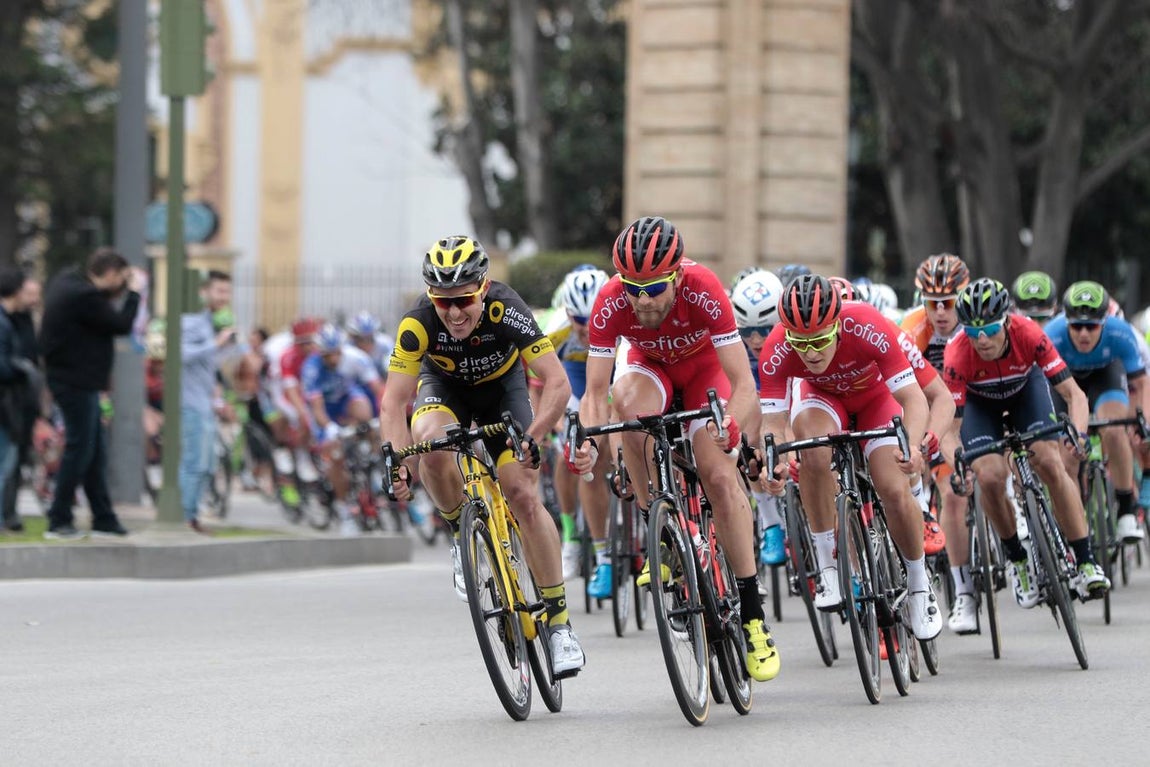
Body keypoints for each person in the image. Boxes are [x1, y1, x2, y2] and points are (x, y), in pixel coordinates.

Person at [571, 216, 781, 682]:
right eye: (633, 288)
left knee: (721, 477)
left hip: (705, 371)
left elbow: (745, 383)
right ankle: (658, 527)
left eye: (655, 288)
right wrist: (589, 444)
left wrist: (730, 426)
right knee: (627, 406)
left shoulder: (704, 288)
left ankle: (751, 616)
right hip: (651, 370)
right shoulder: (611, 302)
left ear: (678, 277)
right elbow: (593, 395)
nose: (642, 300)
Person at [380, 235, 586, 677]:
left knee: (523, 495)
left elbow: (557, 382)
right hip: (445, 389)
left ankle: (560, 625)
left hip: (502, 392)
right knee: (431, 446)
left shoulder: (507, 309)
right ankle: (460, 534)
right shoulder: (417, 324)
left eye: (464, 300)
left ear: (484, 287)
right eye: (443, 302)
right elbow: (394, 403)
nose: (454, 313)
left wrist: (533, 435)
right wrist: (397, 462)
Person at [758, 275, 942, 642]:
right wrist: (771, 463)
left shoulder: (868, 324)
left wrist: (914, 447)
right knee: (810, 449)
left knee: (892, 486)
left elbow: (914, 399)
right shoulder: (777, 347)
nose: (810, 353)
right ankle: (828, 565)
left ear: (838, 325)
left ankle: (920, 584)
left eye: (820, 340)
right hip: (824, 401)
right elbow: (774, 425)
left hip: (875, 400)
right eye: (801, 343)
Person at [941, 278, 1110, 606]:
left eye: (989, 329)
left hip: (1025, 391)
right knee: (989, 476)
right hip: (980, 406)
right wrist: (957, 464)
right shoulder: (957, 354)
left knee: (1050, 461)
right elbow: (951, 429)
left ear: (1005, 320)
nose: (982, 340)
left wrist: (1078, 434)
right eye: (973, 333)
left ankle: (1086, 561)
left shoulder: (1029, 333)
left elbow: (1073, 394)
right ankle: (1017, 558)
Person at [39, 248, 140, 539]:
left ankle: (104, 518)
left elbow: (102, 315)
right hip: (75, 382)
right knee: (80, 450)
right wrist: (134, 294)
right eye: (121, 278)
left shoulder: (70, 284)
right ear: (109, 274)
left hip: (75, 380)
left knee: (95, 452)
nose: (122, 284)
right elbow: (120, 324)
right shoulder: (85, 297)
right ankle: (58, 519)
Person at [900, 253, 977, 632]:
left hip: (974, 404)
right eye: (933, 304)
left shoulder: (976, 325)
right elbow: (903, 394)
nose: (942, 312)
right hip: (934, 408)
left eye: (949, 303)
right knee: (951, 489)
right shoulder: (912, 330)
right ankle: (963, 594)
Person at [1044, 280, 1147, 543]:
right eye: (1077, 326)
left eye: (1091, 326)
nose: (1084, 334)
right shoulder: (1052, 335)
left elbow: (1141, 383)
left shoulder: (1120, 333)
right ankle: (1074, 525)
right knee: (1067, 455)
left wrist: (1142, 421)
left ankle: (1126, 509)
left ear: (1104, 322)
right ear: (1066, 322)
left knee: (1114, 429)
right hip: (1064, 383)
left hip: (1105, 376)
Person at [547, 266, 614, 596]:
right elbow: (539, 383)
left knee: (619, 447)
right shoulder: (556, 331)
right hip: (575, 388)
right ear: (568, 313)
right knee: (573, 458)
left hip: (615, 384)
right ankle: (574, 538)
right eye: (579, 321)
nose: (587, 328)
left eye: (594, 319)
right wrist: (556, 422)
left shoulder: (618, 321)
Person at [729, 269, 787, 566]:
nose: (754, 339)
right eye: (746, 330)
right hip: (756, 391)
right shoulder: (733, 340)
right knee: (747, 448)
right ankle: (771, 523)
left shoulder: (792, 330)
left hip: (788, 391)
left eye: (764, 330)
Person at [180, 270, 236, 534]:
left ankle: (191, 516)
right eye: (220, 291)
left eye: (227, 291)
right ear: (204, 292)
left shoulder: (208, 322)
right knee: (194, 463)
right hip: (189, 403)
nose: (225, 297)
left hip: (204, 403)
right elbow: (180, 353)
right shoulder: (191, 321)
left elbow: (207, 365)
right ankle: (183, 518)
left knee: (208, 465)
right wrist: (215, 343)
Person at [1, 274, 42, 532]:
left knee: (12, 460)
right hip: (6, 402)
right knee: (6, 460)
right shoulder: (5, 323)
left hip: (15, 402)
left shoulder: (19, 321)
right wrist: (21, 369)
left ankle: (8, 514)